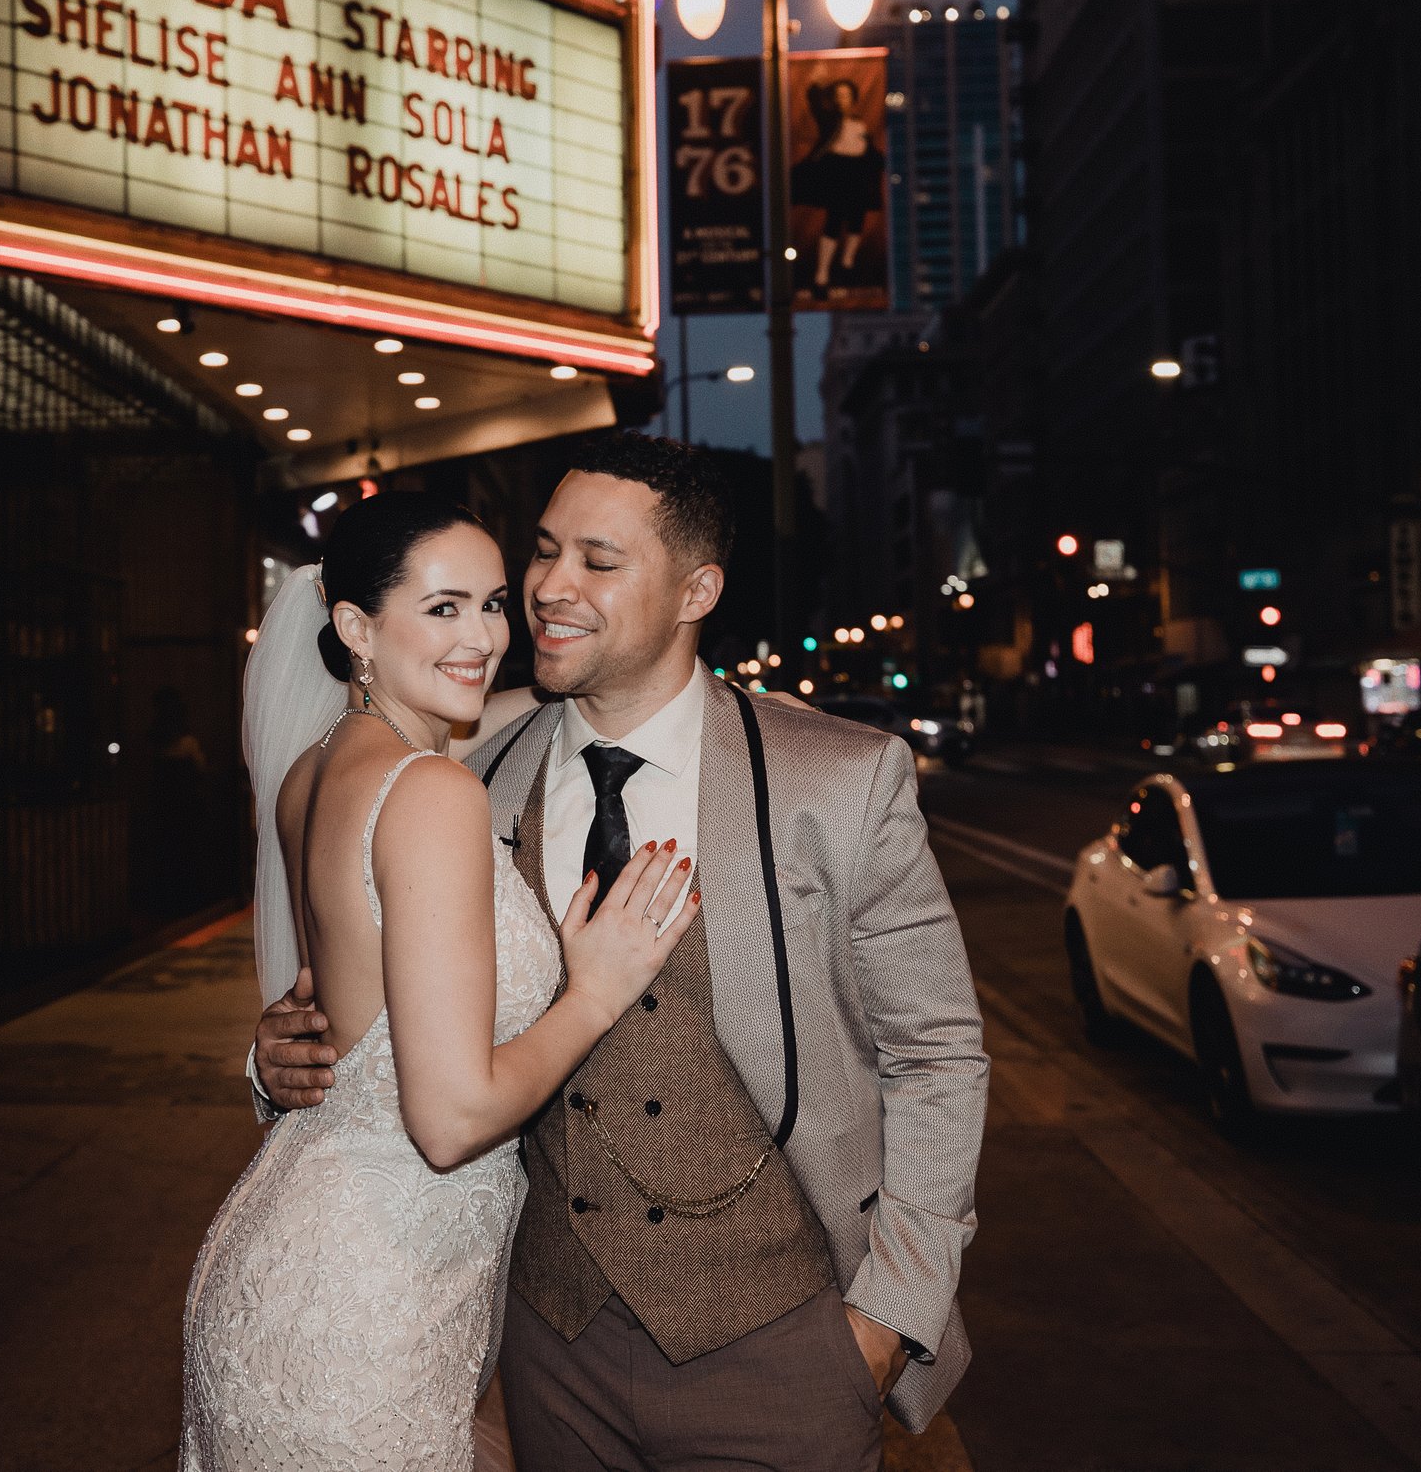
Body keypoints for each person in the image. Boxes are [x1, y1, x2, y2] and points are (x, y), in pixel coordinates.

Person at [255, 436, 987, 1471]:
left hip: (783, 1345)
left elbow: (939, 1055)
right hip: (545, 1349)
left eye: (597, 560)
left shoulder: (841, 778)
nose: (548, 587)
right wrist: (279, 1055)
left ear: (696, 589)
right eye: (544, 551)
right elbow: (360, 978)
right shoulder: (470, 757)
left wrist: (885, 1321)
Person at [182, 494, 699, 1472]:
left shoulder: (315, 770)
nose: (485, 637)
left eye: (493, 604)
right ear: (355, 628)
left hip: (299, 1262)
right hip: (365, 1306)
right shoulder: (432, 793)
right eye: (445, 607)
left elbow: (338, 1000)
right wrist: (594, 987)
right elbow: (452, 1117)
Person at [789, 79, 886, 293]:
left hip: (857, 173)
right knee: (834, 219)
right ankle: (822, 273)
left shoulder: (859, 123)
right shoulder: (829, 120)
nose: (843, 99)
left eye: (846, 95)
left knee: (856, 219)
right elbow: (814, 100)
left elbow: (867, 149)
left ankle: (847, 263)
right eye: (838, 96)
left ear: (853, 99)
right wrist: (822, 89)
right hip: (836, 171)